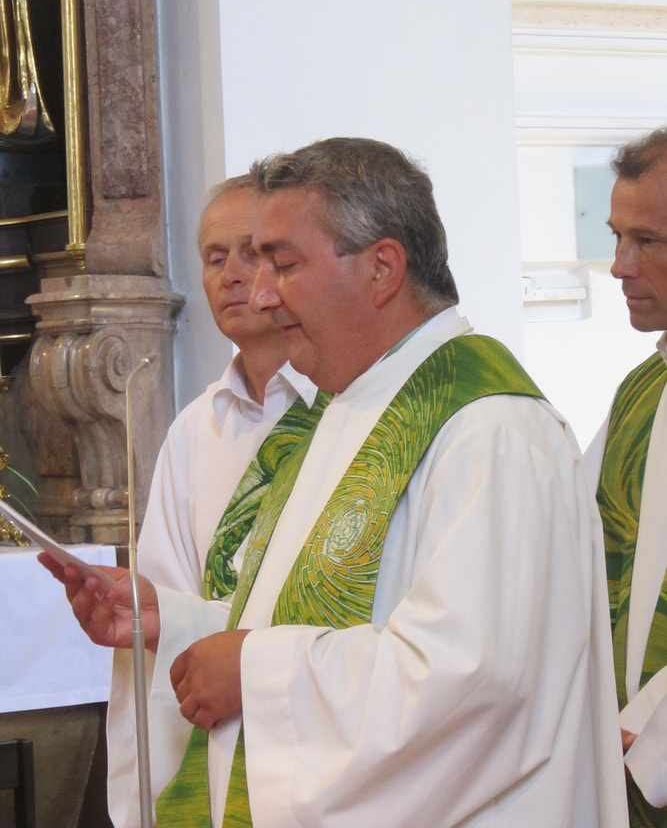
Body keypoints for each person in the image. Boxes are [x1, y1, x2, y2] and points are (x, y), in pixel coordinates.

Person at [45, 138, 627, 828]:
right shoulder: (344, 408)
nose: (262, 295)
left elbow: (478, 683)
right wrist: (172, 623)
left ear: (382, 268)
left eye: (283, 264)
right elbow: (316, 619)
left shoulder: (491, 430)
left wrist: (255, 673)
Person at [44, 174, 317, 827]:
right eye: (214, 257)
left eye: (252, 253)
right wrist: (139, 612)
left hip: (302, 734)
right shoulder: (197, 428)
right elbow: (166, 591)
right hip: (204, 724)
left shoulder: (339, 411)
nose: (232, 275)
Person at [586, 127, 667, 828]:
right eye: (617, 237)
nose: (618, 266)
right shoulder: (639, 392)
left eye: (647, 241)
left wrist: (653, 736)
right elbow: (573, 557)